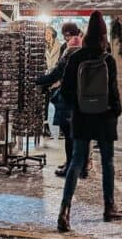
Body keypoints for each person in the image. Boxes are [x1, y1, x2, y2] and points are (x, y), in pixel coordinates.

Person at [57, 11, 122, 232]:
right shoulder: (108, 59)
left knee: (76, 162)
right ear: (104, 36)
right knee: (107, 163)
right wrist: (115, 109)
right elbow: (114, 91)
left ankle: (65, 211)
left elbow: (65, 90)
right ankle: (109, 206)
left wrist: (77, 106)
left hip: (81, 117)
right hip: (104, 117)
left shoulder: (76, 57)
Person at [37, 36, 90, 177]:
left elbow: (54, 76)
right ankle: (82, 168)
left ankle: (70, 168)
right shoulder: (90, 59)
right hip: (85, 105)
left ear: (68, 46)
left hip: (68, 103)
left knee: (69, 137)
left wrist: (36, 80)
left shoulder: (67, 58)